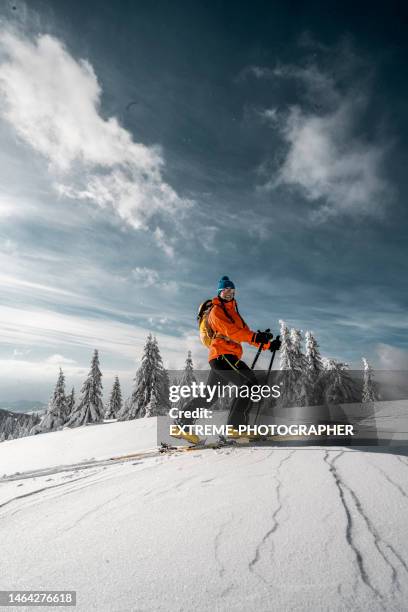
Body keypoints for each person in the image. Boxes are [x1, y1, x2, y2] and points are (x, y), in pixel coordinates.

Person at [174, 275, 281, 440]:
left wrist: (267, 344)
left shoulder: (236, 314)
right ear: (219, 293)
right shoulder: (216, 312)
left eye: (232, 291)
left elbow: (246, 334)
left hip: (223, 358)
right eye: (225, 291)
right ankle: (236, 427)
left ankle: (182, 424)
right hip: (222, 355)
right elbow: (233, 332)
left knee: (209, 396)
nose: (229, 294)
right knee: (250, 383)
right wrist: (255, 338)